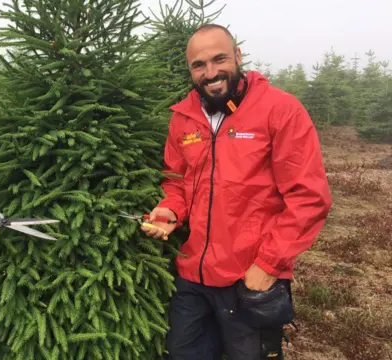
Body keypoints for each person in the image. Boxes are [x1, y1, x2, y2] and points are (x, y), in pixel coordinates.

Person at [142, 24, 332, 359]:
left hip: (248, 279)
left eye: (219, 59)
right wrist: (172, 210)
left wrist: (268, 265)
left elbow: (309, 197)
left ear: (238, 56)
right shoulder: (183, 118)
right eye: (198, 65)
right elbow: (176, 180)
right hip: (193, 278)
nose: (210, 72)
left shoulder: (279, 110)